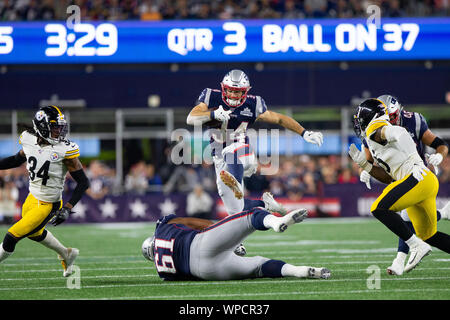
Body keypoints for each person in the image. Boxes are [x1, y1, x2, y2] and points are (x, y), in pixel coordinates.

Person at [186, 69, 322, 254]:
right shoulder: (211, 97)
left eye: (238, 91)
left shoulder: (254, 103)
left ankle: (235, 180)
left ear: (246, 91)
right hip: (219, 157)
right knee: (236, 211)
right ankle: (264, 208)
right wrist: (212, 115)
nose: (234, 95)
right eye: (231, 91)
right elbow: (191, 117)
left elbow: (280, 118)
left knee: (231, 152)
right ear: (223, 89)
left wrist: (304, 132)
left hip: (243, 153)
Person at [349, 98, 450, 274]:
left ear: (370, 116)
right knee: (429, 235)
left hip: (418, 177)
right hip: (422, 181)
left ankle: (415, 246)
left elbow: (401, 134)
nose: (359, 123)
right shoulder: (373, 136)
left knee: (379, 208)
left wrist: (415, 160)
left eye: (360, 119)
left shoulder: (375, 127)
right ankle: (419, 243)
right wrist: (366, 166)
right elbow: (389, 178)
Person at [0, 106, 90, 277]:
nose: (59, 131)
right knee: (34, 234)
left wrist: (68, 207)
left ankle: (66, 254)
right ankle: (67, 253)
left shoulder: (65, 150)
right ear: (42, 126)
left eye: (60, 127)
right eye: (55, 126)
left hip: (49, 204)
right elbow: (16, 160)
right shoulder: (28, 139)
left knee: (11, 237)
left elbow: (83, 182)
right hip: (32, 197)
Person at [141, 206, 331, 281]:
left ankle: (299, 271)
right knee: (252, 215)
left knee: (258, 267)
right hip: (200, 245)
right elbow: (193, 223)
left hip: (205, 272)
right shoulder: (162, 227)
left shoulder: (162, 272)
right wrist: (220, 235)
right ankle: (276, 222)